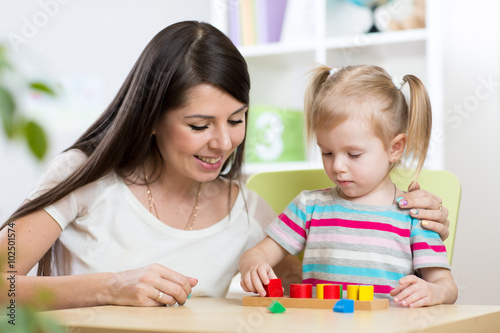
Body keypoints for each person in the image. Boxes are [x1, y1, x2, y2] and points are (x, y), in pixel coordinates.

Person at [0, 22, 451, 310]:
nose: (222, 143)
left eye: (236, 121)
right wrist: (109, 288)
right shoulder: (85, 178)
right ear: (152, 118)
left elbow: (327, 284)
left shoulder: (249, 214)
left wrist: (407, 212)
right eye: (199, 124)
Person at [239, 65, 458, 308]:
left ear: (394, 148)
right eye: (327, 152)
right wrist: (253, 266)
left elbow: (446, 285)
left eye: (353, 154)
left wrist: (433, 292)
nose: (338, 166)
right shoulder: (309, 207)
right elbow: (256, 254)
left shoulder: (415, 216)